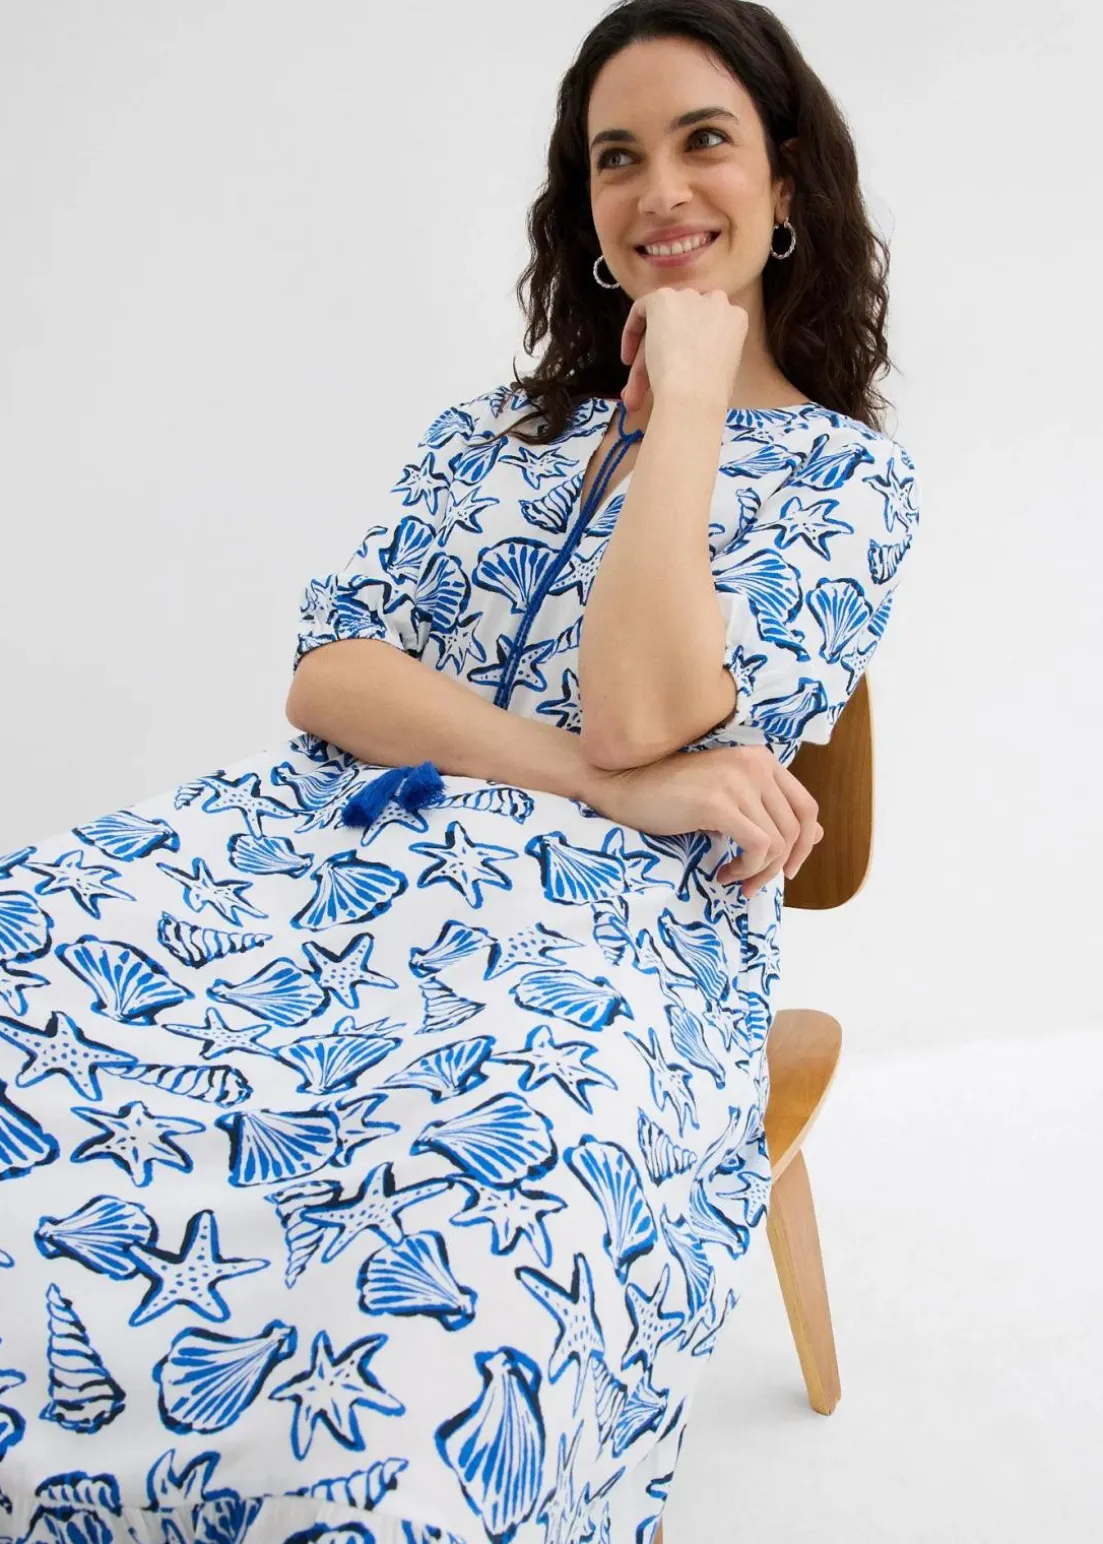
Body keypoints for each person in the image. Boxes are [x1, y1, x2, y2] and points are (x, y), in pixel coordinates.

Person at [0, 3, 920, 1541]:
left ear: (785, 185)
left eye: (701, 141)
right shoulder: (489, 435)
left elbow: (639, 708)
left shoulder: (849, 478)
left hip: (595, 934)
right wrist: (606, 779)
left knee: (437, 1274)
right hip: (304, 849)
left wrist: (690, 399)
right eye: (613, 157)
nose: (655, 189)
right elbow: (333, 678)